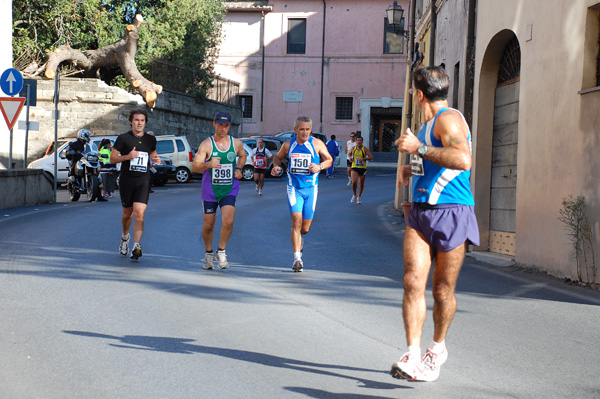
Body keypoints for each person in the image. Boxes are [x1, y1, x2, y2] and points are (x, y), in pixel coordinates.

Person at [391, 65, 480, 382]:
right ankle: (412, 355)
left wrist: (419, 148)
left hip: (453, 211)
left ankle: (437, 347)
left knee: (442, 291)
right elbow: (426, 160)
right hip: (420, 212)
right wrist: (410, 169)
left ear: (417, 94)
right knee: (412, 281)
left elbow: (462, 159)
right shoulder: (425, 125)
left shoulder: (449, 119)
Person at [271, 116, 333, 272]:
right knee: (296, 220)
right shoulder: (288, 145)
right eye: (301, 129)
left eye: (307, 129)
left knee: (305, 228)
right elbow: (277, 158)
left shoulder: (317, 144)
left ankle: (300, 240)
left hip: (311, 189)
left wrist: (320, 166)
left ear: (310, 130)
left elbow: (329, 160)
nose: (305, 132)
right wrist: (276, 167)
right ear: (295, 130)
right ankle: (297, 258)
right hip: (294, 188)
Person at [192, 111, 247, 270]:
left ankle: (221, 250)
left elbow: (242, 156)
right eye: (220, 124)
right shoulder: (206, 144)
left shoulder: (236, 143)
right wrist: (208, 164)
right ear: (214, 124)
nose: (223, 128)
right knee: (208, 225)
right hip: (210, 190)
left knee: (228, 221)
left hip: (229, 188)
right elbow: (195, 166)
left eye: (227, 125)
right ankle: (208, 253)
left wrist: (239, 168)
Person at [110, 108, 161, 260]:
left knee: (139, 213)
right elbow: (113, 159)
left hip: (143, 180)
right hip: (127, 180)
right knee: (127, 214)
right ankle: (125, 238)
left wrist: (156, 159)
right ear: (131, 121)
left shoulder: (150, 140)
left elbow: (153, 155)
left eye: (142, 120)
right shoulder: (123, 139)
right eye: (136, 120)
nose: (139, 123)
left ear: (145, 122)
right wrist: (127, 156)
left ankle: (136, 246)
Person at [349, 135, 373, 204]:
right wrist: (350, 158)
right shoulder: (353, 148)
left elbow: (371, 157)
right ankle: (354, 194)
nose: (359, 142)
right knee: (354, 182)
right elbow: (349, 154)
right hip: (354, 167)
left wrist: (364, 159)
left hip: (362, 168)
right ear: (356, 141)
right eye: (358, 140)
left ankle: (359, 196)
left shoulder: (365, 149)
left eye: (360, 140)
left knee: (361, 183)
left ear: (362, 141)